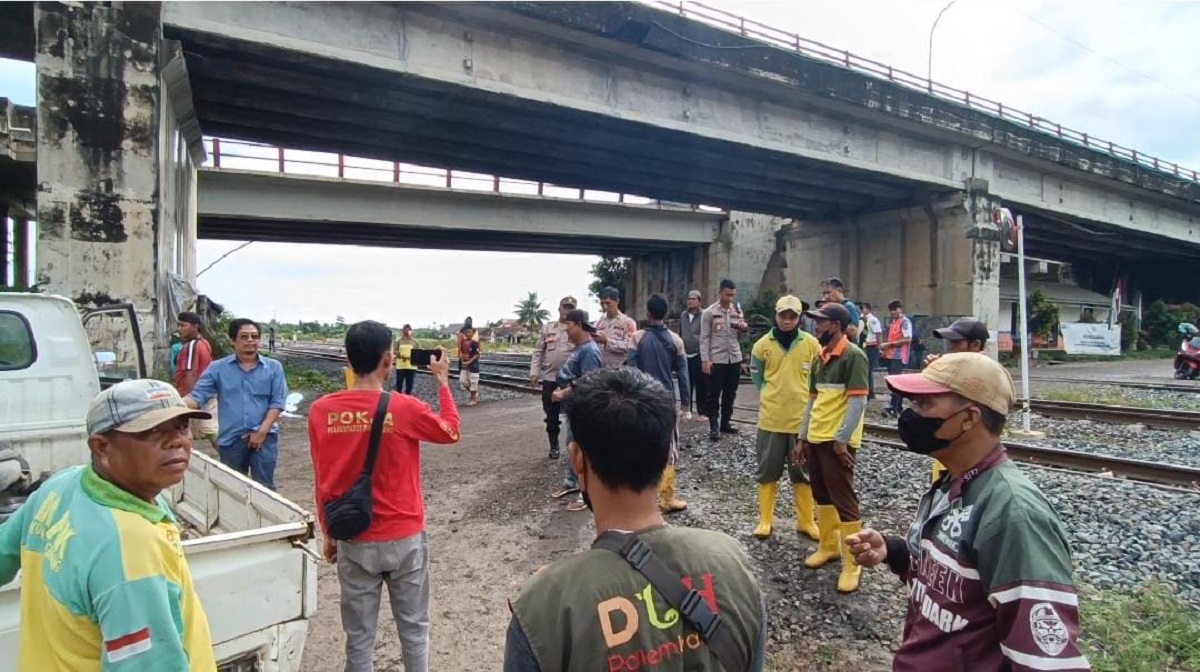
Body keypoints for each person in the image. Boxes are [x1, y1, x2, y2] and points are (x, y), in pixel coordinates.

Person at [504, 368, 767, 671]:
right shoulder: (733, 560)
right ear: (669, 453)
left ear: (577, 458)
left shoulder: (544, 605)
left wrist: (550, 589)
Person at [848, 354, 1091, 672]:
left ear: (969, 418)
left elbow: (1045, 659)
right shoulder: (952, 482)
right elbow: (954, 586)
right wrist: (895, 551)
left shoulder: (1013, 515)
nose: (911, 415)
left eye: (925, 405)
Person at [0, 379, 216, 671]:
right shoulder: (130, 548)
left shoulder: (60, 487)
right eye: (152, 430)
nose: (177, 441)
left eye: (180, 426)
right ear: (102, 446)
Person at [308, 321, 461, 672]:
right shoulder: (405, 408)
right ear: (389, 360)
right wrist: (441, 382)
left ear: (348, 359)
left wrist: (329, 534)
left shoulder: (320, 412)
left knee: (359, 638)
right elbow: (451, 431)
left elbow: (322, 478)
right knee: (414, 631)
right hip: (404, 537)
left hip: (353, 535)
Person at [795, 302, 869, 593]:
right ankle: (829, 546)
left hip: (836, 441)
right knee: (822, 494)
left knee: (844, 499)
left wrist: (841, 441)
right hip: (816, 437)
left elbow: (858, 403)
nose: (816, 326)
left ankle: (853, 563)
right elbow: (812, 402)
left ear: (836, 325)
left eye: (821, 321)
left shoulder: (854, 357)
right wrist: (802, 438)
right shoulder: (820, 358)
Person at [184, 318, 288, 490]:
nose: (250, 341)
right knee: (233, 490)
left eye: (254, 337)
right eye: (244, 336)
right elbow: (198, 396)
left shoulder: (273, 368)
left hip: (264, 438)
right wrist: (172, 404)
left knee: (265, 489)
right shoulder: (218, 368)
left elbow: (277, 402)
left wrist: (262, 431)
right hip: (231, 440)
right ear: (233, 340)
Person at [749, 295, 821, 540]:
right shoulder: (762, 345)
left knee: (803, 472)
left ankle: (806, 521)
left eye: (792, 316)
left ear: (799, 318)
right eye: (783, 315)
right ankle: (765, 520)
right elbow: (756, 374)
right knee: (767, 470)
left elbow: (818, 376)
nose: (787, 321)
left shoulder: (812, 344)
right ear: (776, 316)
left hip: (801, 420)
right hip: (771, 419)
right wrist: (768, 393)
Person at [627, 294, 691, 513]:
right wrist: (686, 406)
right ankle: (666, 498)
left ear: (648, 313)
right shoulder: (676, 340)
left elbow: (631, 371)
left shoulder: (637, 337)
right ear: (665, 313)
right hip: (666, 400)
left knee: (640, 446)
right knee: (669, 449)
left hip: (641, 399)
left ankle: (639, 498)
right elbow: (683, 375)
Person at [550, 308, 604, 512]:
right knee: (572, 445)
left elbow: (589, 380)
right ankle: (572, 482)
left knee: (582, 451)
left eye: (569, 326)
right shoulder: (580, 348)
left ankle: (587, 495)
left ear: (579, 325)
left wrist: (564, 393)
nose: (566, 331)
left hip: (583, 408)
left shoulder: (589, 350)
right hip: (574, 407)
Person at [924, 317, 991, 481]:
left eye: (957, 343)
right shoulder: (957, 369)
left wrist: (940, 372)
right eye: (950, 342)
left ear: (975, 345)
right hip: (952, 448)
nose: (951, 348)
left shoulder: (985, 372)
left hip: (969, 452)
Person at [700, 279, 750, 441]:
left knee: (731, 392)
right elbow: (704, 338)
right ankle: (713, 427)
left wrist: (743, 328)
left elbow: (742, 337)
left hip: (734, 357)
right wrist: (705, 360)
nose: (730, 298)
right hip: (717, 358)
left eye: (733, 295)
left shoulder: (737, 311)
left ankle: (725, 423)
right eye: (728, 295)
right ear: (720, 292)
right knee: (714, 394)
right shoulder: (709, 312)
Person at [529, 296, 578, 460]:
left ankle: (575, 448)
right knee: (551, 415)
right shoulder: (548, 328)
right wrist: (534, 372)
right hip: (551, 378)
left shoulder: (577, 328)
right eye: (565, 307)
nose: (567, 310)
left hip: (571, 379)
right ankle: (554, 446)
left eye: (571, 307)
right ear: (559, 308)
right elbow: (538, 352)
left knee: (576, 415)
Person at [174, 311, 218, 450]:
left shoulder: (192, 346)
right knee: (208, 431)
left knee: (185, 431)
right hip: (206, 392)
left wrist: (187, 399)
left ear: (195, 327)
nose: (179, 329)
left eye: (183, 325)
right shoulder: (204, 343)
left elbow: (190, 373)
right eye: (178, 325)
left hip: (196, 394)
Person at [881, 299, 913, 417]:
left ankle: (894, 408)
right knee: (893, 382)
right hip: (892, 355)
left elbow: (907, 339)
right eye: (891, 310)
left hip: (899, 356)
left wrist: (889, 345)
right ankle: (897, 407)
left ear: (900, 309)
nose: (893, 312)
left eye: (895, 309)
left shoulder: (904, 322)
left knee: (895, 383)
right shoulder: (894, 321)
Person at [679, 289, 708, 418]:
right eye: (689, 299)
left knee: (701, 384)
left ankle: (702, 411)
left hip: (699, 353)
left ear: (699, 301)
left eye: (693, 299)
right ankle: (687, 409)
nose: (690, 301)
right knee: (686, 383)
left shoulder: (704, 315)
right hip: (685, 353)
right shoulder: (683, 315)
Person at [594, 286, 637, 369]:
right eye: (602, 303)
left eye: (608, 303)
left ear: (617, 301)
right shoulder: (598, 323)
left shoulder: (628, 323)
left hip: (619, 371)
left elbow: (629, 346)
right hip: (600, 371)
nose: (605, 307)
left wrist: (607, 342)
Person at [860, 302, 883, 400]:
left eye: (863, 308)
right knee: (865, 369)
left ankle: (870, 392)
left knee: (868, 370)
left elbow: (878, 333)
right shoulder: (861, 319)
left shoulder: (873, 320)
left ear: (868, 309)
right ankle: (867, 390)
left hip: (871, 346)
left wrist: (879, 347)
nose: (862, 310)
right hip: (864, 346)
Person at [394, 323, 423, 396]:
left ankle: (408, 398)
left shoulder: (415, 341)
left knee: (410, 384)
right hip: (401, 366)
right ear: (402, 331)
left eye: (409, 330)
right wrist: (401, 355)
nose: (407, 331)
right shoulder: (398, 340)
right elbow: (394, 351)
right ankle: (398, 398)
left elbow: (418, 352)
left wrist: (412, 357)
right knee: (399, 383)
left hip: (412, 366)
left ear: (411, 331)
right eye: (405, 330)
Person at [459, 325, 481, 407]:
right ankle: (475, 394)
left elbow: (477, 354)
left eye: (469, 332)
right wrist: (462, 362)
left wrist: (469, 362)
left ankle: (473, 399)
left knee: (473, 382)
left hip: (473, 367)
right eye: (466, 332)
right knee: (463, 381)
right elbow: (461, 353)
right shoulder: (463, 342)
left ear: (472, 333)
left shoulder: (475, 343)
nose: (468, 334)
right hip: (465, 366)